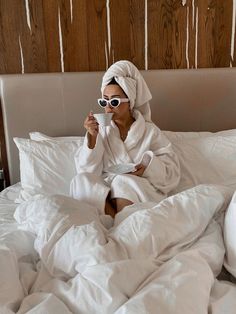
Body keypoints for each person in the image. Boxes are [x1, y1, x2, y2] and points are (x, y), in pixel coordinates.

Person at [70, 60, 180, 218]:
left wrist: (147, 168)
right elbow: (87, 170)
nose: (108, 106)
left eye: (114, 101)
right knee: (80, 181)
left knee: (122, 181)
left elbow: (172, 172)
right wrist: (92, 137)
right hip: (106, 193)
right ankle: (115, 222)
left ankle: (121, 225)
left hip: (138, 188)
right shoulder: (98, 130)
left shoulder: (149, 131)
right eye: (104, 100)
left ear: (130, 102)